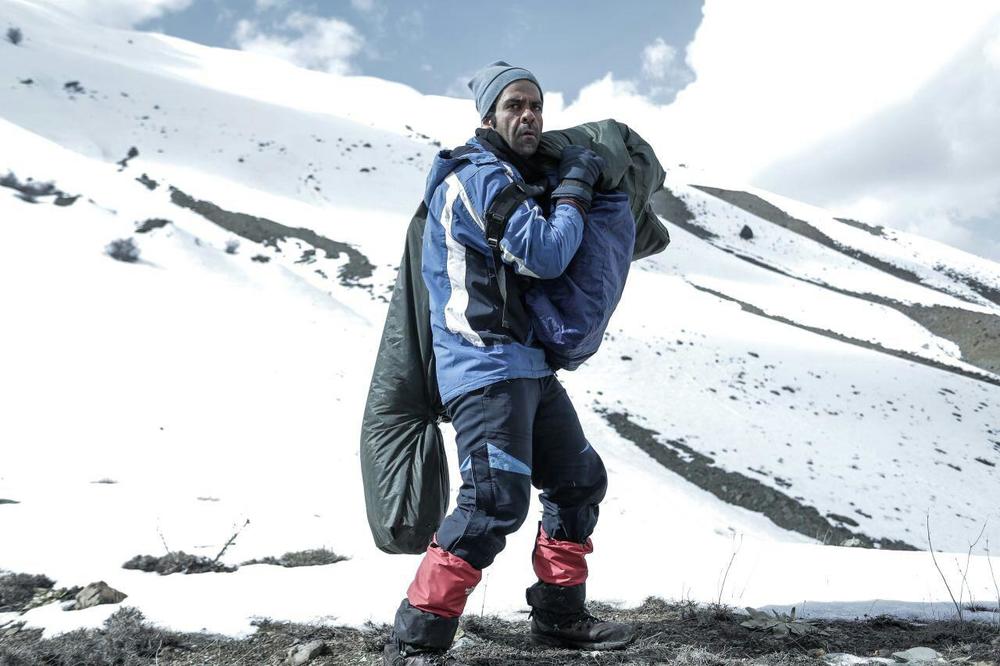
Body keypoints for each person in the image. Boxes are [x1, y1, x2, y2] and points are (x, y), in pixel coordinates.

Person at [383, 61, 635, 666]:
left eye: (536, 106)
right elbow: (545, 254)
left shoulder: (517, 177)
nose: (529, 116)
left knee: (577, 484)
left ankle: (559, 619)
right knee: (494, 502)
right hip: (483, 365)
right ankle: (418, 639)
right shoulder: (477, 177)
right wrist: (575, 187)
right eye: (515, 105)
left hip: (526, 365)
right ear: (488, 116)